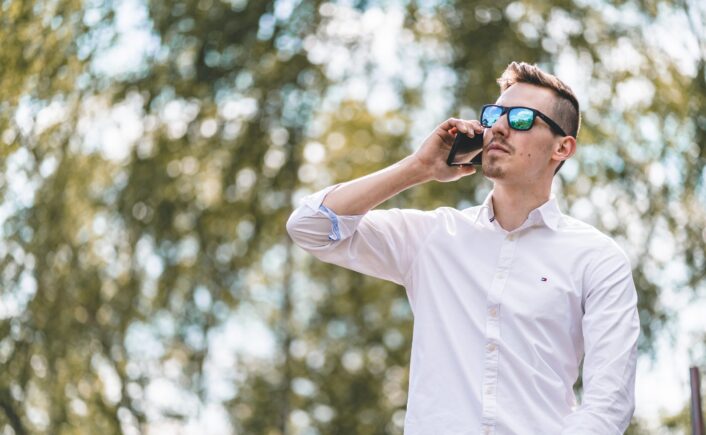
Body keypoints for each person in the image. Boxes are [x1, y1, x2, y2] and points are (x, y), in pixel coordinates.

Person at [286, 61, 639, 435]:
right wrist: (418, 167)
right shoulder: (433, 237)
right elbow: (310, 226)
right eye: (493, 115)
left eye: (521, 119)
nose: (499, 127)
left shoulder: (597, 258)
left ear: (563, 147)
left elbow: (608, 404)